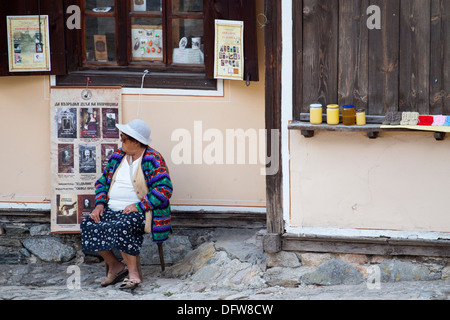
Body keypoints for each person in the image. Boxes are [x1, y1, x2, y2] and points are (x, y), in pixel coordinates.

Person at [80, 119, 172, 290]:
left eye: (124, 139)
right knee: (89, 224)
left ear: (136, 142)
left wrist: (139, 205)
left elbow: (164, 189)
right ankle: (115, 265)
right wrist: (99, 205)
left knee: (123, 225)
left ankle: (133, 273)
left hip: (140, 211)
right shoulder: (117, 157)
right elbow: (102, 183)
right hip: (111, 208)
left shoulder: (153, 159)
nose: (120, 142)